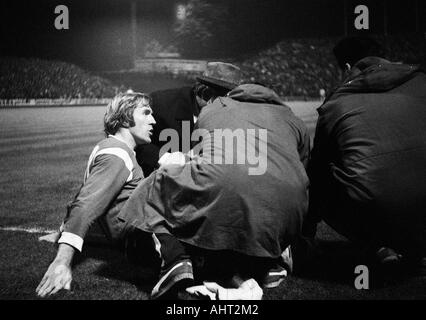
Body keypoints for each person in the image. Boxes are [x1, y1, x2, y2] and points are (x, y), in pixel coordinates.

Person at [119, 62, 310, 299]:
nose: (232, 101)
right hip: (276, 202)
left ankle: (176, 259)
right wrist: (164, 157)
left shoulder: (220, 110)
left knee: (215, 195)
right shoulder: (162, 102)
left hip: (209, 180)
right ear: (204, 93)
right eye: (226, 96)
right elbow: (132, 142)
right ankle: (268, 260)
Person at [306, 36, 426, 273]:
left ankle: (378, 243)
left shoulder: (336, 103)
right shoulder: (422, 81)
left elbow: (317, 174)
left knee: (325, 170)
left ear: (349, 69)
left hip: (374, 212)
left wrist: (306, 232)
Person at [36, 92, 156, 297]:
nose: (153, 120)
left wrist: (63, 230)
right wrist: (61, 261)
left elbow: (90, 195)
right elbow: (87, 203)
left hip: (134, 237)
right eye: (146, 113)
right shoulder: (117, 153)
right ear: (126, 117)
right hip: (141, 242)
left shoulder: (114, 148)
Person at [135, 62, 241, 176]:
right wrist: (166, 159)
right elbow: (135, 139)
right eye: (209, 94)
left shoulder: (232, 113)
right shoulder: (160, 102)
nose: (215, 102)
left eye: (224, 97)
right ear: (200, 89)